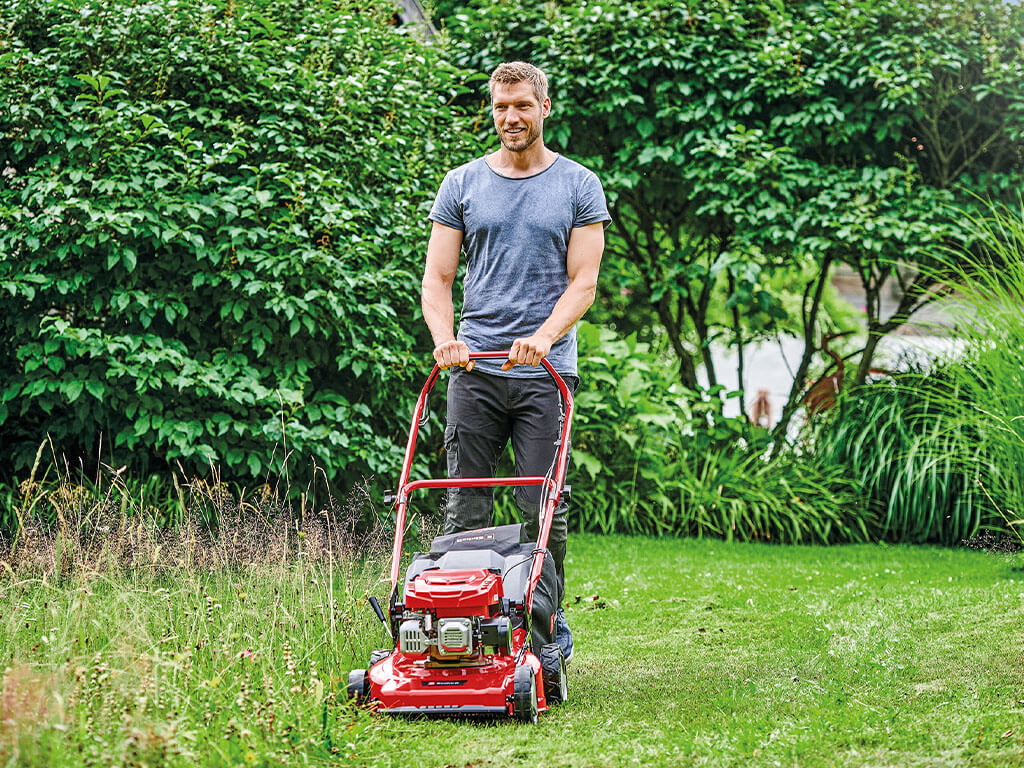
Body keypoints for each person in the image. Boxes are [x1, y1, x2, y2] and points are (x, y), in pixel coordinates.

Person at [420, 61, 610, 664]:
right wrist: (446, 339)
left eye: (522, 107)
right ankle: (462, 629)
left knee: (542, 505)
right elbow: (438, 278)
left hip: (545, 374)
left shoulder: (579, 185)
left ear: (544, 107)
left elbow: (584, 283)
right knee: (465, 503)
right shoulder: (462, 184)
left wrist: (545, 336)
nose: (511, 119)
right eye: (501, 108)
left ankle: (546, 630)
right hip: (474, 370)